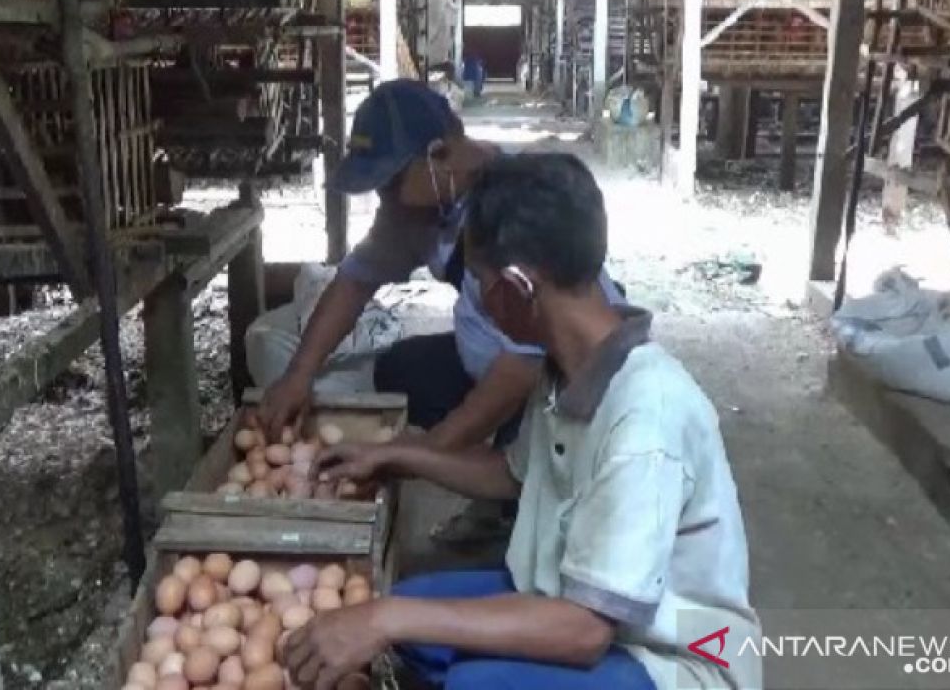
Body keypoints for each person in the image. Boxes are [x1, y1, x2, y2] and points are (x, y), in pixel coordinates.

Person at [283, 153, 761, 690]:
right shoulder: (567, 367)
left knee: (468, 677)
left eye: (479, 280)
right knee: (405, 615)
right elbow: (512, 474)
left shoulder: (646, 415)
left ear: (516, 287)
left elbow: (584, 633)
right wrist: (400, 454)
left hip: (669, 655)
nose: (476, 302)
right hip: (564, 597)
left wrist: (383, 620)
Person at [258, 79, 621, 542]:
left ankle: (522, 511)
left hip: (553, 368)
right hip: (502, 355)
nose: (385, 200)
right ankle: (505, 486)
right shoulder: (418, 210)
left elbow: (521, 366)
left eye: (390, 183)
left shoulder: (511, 208)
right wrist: (299, 375)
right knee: (402, 369)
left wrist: (426, 451)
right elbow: (354, 281)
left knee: (527, 444)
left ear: (439, 155)